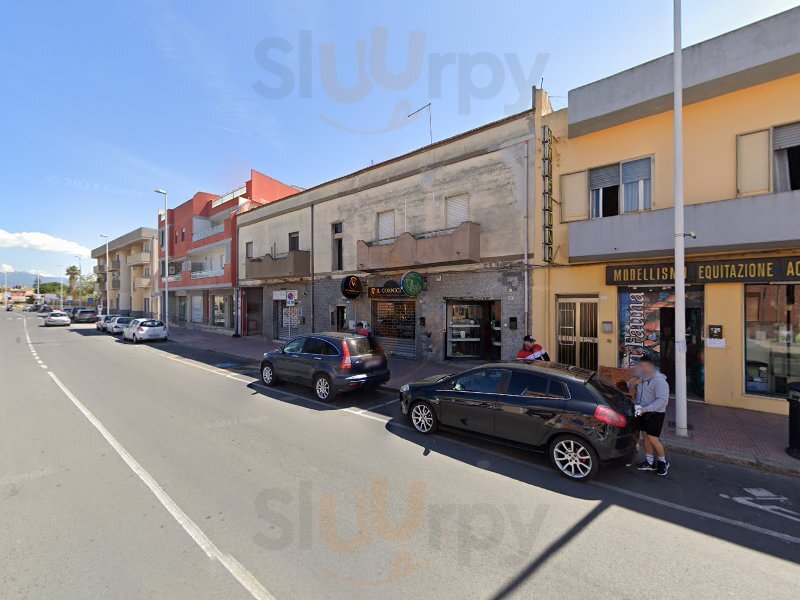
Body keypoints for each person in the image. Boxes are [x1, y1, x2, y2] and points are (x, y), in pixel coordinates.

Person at [627, 356, 670, 476]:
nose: (642, 368)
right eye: (641, 366)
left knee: (653, 439)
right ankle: (649, 462)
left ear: (652, 366)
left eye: (644, 366)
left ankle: (663, 461)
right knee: (645, 437)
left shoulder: (660, 381)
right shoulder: (641, 376)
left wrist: (645, 409)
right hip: (642, 411)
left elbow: (662, 401)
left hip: (655, 414)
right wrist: (632, 383)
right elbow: (628, 385)